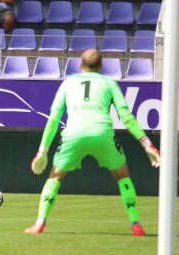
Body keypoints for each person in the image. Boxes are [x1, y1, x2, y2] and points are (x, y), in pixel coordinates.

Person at [25, 49, 161, 236]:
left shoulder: (68, 83)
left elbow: (54, 119)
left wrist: (42, 151)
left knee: (55, 177)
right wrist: (148, 145)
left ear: (81, 65)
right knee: (123, 176)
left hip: (73, 134)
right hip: (102, 133)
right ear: (101, 67)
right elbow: (127, 118)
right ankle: (136, 223)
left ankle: (40, 223)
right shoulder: (110, 83)